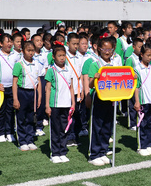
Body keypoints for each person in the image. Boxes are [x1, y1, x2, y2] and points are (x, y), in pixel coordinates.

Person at [82, 35, 123, 165]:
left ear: (113, 50)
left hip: (111, 99)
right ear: (99, 49)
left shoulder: (114, 64)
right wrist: (95, 78)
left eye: (109, 49)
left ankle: (103, 151)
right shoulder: (95, 64)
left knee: (107, 126)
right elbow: (90, 84)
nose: (107, 52)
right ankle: (94, 154)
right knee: (97, 126)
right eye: (104, 49)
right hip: (98, 98)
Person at [44, 44, 75, 163]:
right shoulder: (51, 70)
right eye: (59, 56)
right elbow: (48, 88)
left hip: (66, 105)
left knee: (64, 129)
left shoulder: (69, 69)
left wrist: (73, 103)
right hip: (54, 104)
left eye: (64, 55)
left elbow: (71, 87)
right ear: (53, 57)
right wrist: (47, 105)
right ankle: (55, 153)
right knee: (55, 129)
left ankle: (63, 151)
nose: (62, 58)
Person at [12, 40, 43, 151]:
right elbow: (14, 82)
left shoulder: (37, 64)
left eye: (32, 50)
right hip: (22, 92)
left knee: (31, 117)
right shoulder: (19, 64)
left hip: (33, 93)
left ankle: (30, 139)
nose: (31, 53)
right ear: (22, 51)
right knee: (21, 117)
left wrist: (39, 97)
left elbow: (38, 80)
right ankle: (22, 140)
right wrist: (15, 98)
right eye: (28, 50)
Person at [0, 33, 18, 144]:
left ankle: (10, 132)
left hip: (12, 87)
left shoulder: (16, 55)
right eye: (7, 41)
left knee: (10, 111)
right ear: (1, 43)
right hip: (0, 88)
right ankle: (0, 132)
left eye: (11, 41)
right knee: (0, 111)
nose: (10, 44)